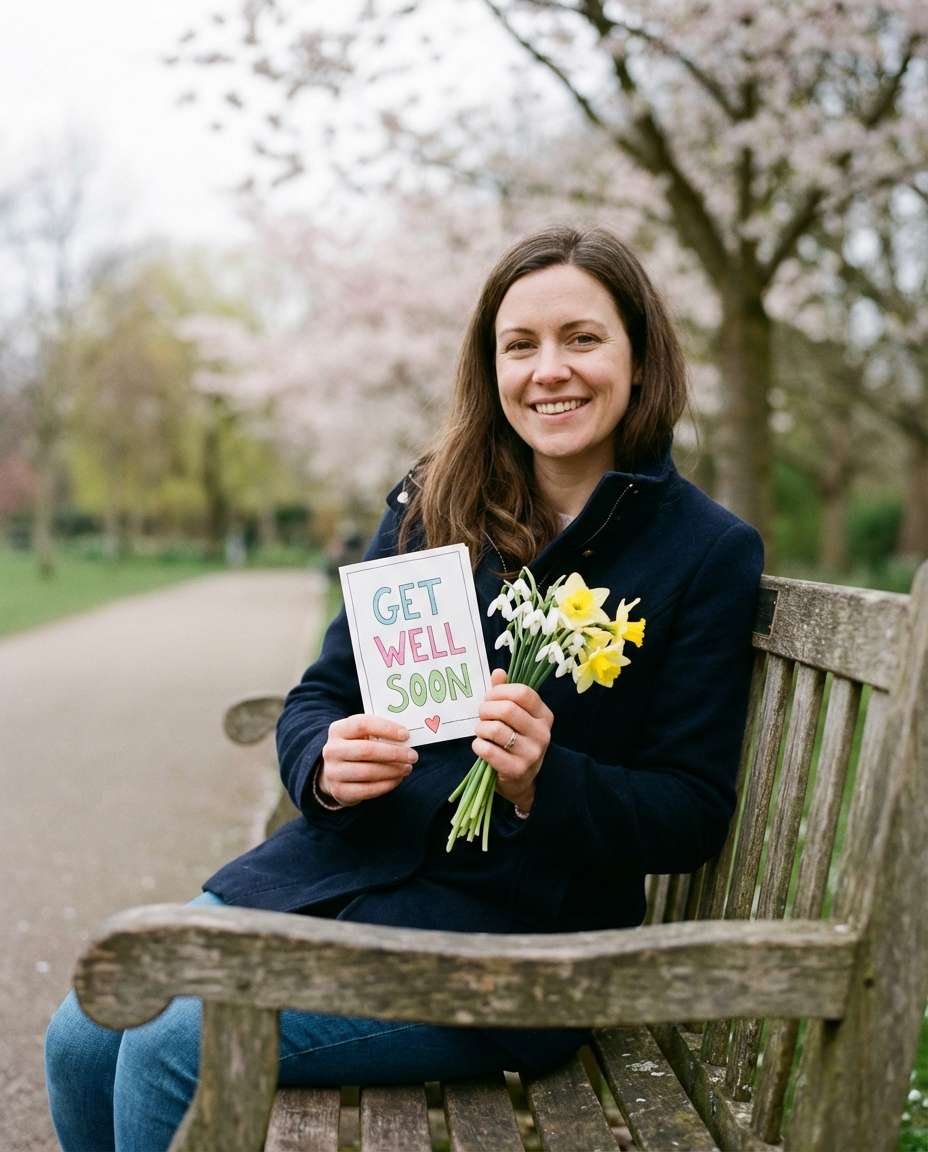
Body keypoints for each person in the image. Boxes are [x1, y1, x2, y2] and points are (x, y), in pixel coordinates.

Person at [45, 225, 764, 1151]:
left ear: (638, 355)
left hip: (510, 944)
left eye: (582, 339)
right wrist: (323, 761)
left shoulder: (702, 551)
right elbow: (319, 694)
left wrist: (545, 780)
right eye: (521, 346)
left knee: (171, 1045)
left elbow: (693, 811)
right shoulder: (436, 502)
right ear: (490, 366)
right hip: (334, 876)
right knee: (83, 1029)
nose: (551, 371)